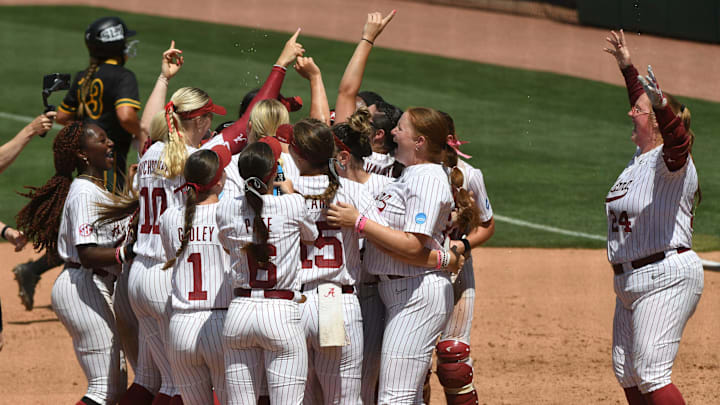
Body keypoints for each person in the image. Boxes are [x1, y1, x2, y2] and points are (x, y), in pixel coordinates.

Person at [327, 107, 466, 403]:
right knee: (407, 396)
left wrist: (360, 223)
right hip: (400, 289)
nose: (393, 132)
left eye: (400, 128)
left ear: (420, 141)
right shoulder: (409, 176)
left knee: (395, 398)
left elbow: (414, 246)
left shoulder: (426, 179)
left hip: (416, 292)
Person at [603, 30, 703, 405]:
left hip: (666, 276)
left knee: (652, 373)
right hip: (628, 282)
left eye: (639, 111)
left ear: (660, 122)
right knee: (628, 373)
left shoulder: (671, 163)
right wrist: (627, 67)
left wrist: (660, 105)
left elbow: (677, 141)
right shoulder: (639, 160)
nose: (632, 111)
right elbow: (641, 104)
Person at [16, 121, 133, 405]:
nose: (110, 144)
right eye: (102, 140)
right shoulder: (83, 192)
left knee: (114, 387)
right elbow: (87, 253)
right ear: (82, 154)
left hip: (94, 284)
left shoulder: (96, 190)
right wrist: (126, 253)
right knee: (104, 389)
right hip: (83, 285)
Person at [217, 140, 317, 404]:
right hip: (281, 312)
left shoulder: (225, 207)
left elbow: (228, 246)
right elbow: (311, 237)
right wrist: (287, 190)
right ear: (274, 172)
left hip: (239, 312)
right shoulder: (293, 204)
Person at [157, 146, 232, 405]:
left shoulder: (169, 218)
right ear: (219, 180)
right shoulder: (230, 214)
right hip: (220, 323)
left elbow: (172, 255)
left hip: (180, 327)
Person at [434, 111, 495, 405]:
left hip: (457, 272)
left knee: (453, 359)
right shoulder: (405, 171)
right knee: (415, 364)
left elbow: (487, 225)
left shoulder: (470, 175)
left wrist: (462, 247)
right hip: (417, 269)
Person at [56, 16, 142, 192]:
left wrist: (85, 132)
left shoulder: (83, 77)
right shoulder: (123, 76)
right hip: (109, 167)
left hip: (84, 167)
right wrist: (141, 133)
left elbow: (62, 117)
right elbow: (126, 116)